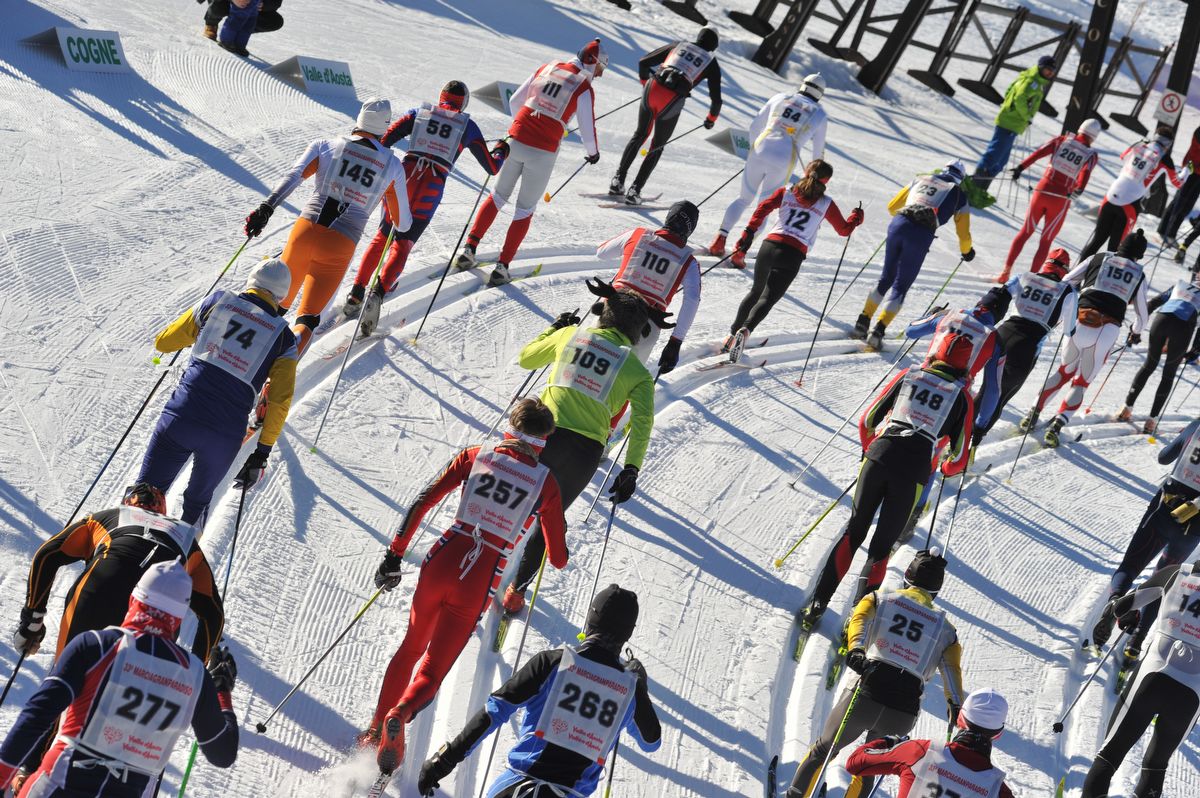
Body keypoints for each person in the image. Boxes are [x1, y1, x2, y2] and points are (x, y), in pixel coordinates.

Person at [367, 399, 569, 772]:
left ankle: (374, 729)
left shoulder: (475, 454)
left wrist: (395, 553)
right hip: (480, 575)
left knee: (411, 647)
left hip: (443, 556)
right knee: (432, 670)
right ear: (543, 439)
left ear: (511, 425)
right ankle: (402, 711)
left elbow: (424, 499)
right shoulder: (546, 482)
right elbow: (557, 557)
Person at [0, 562, 239, 797]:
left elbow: (37, 716)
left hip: (53, 788)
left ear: (133, 600)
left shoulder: (97, 645)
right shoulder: (195, 674)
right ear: (178, 619)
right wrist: (222, 691)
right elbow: (222, 753)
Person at [502, 280, 670, 612]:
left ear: (602, 314)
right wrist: (631, 469)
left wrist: (553, 330)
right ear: (639, 333)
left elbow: (525, 360)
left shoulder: (572, 336)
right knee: (550, 517)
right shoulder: (638, 372)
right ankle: (516, 592)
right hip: (584, 452)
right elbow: (642, 423)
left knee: (509, 494)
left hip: (542, 433)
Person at [415, 585, 661, 798]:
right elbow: (651, 742)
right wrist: (640, 686)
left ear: (591, 620)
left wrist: (445, 760)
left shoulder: (553, 662)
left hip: (517, 787)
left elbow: (495, 710)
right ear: (627, 633)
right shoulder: (630, 689)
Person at [798, 338, 974, 628]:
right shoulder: (962, 397)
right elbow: (959, 459)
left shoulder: (909, 374)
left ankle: (818, 604)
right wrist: (944, 466)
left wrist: (870, 449)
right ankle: (858, 622)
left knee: (853, 533)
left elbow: (867, 421)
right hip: (914, 470)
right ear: (963, 366)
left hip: (880, 456)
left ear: (937, 353)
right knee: (881, 549)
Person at [787, 550, 965, 798]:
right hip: (903, 711)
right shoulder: (947, 630)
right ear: (937, 590)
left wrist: (857, 649)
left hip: (867, 692)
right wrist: (955, 705)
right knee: (868, 766)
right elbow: (952, 671)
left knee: (824, 750)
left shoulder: (881, 598)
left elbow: (859, 619)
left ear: (907, 576)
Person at [136, 258, 298, 526]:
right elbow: (280, 400)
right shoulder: (285, 338)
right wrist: (262, 453)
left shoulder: (218, 302)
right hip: (224, 435)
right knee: (196, 507)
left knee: (145, 496)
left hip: (182, 416)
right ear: (281, 298)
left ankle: (124, 555)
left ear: (251, 282)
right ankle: (183, 559)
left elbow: (164, 343)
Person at [243, 98, 410, 353]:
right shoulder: (392, 165)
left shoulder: (326, 145)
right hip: (340, 244)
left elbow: (293, 176)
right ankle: (274, 382)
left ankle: (243, 357)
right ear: (385, 128)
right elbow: (403, 223)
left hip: (305, 231)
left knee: (273, 304)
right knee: (308, 319)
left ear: (359, 120)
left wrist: (266, 208)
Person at [339, 82, 506, 335]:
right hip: (432, 185)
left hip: (403, 178)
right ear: (463, 103)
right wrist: (501, 150)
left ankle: (357, 292)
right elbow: (492, 168)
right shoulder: (467, 125)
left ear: (441, 97)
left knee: (383, 235)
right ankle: (379, 293)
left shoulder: (420, 112)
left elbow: (385, 138)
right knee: (403, 243)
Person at [11, 483, 223, 662]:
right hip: (152, 612)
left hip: (98, 590)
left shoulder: (107, 516)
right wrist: (195, 677)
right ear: (163, 512)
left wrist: (32, 621)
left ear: (127, 503)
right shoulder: (187, 537)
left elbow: (46, 555)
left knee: (63, 692)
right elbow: (213, 615)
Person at [454, 41, 606, 287]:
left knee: (497, 196)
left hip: (516, 137)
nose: (599, 75)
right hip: (543, 150)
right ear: (592, 63)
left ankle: (469, 249)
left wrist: (525, 125)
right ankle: (502, 267)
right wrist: (593, 153)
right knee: (524, 208)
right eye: (600, 69)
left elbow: (516, 101)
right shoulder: (584, 87)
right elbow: (588, 127)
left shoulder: (549, 66)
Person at [1022, 230, 1150, 446]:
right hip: (1107, 330)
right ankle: (1057, 425)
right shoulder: (1139, 273)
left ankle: (1032, 413)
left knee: (1063, 372)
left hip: (1080, 319)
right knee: (1081, 382)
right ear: (1139, 255)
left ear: (1121, 245)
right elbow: (1143, 315)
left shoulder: (1098, 257)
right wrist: (1135, 331)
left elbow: (1067, 280)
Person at [1084, 561, 1200, 798]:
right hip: (1191, 695)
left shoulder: (1179, 573)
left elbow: (1121, 606)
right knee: (1155, 767)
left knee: (1109, 756)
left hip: (1151, 678)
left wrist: (1113, 618)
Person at [1089, 418, 1200, 663]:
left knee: (1130, 566)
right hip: (1193, 524)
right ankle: (1136, 642)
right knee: (1164, 579)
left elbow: (1164, 457)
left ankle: (1116, 600)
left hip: (1165, 509)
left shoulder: (1196, 426)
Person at [724, 160, 863, 350]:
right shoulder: (826, 203)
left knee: (756, 291)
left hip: (769, 246)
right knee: (767, 298)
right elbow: (844, 230)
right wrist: (856, 218)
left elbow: (762, 208)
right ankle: (746, 330)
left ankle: (731, 335)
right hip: (792, 254)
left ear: (806, 171)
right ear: (826, 180)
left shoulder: (787, 191)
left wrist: (748, 232)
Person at [852, 161, 974, 351]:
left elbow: (892, 206)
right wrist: (967, 251)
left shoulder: (921, 179)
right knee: (901, 286)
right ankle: (878, 330)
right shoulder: (959, 194)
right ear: (961, 178)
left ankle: (863, 319)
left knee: (886, 277)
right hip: (921, 234)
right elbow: (963, 233)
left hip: (899, 224)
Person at [706, 74, 828, 256]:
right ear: (820, 94)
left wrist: (754, 151)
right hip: (785, 158)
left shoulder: (780, 96)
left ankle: (719, 240)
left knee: (743, 199)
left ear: (802, 85)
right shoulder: (819, 113)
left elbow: (755, 126)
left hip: (760, 148)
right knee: (763, 206)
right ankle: (740, 252)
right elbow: (818, 155)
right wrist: (813, 178)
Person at [610, 27, 723, 205]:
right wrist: (711, 120)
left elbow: (643, 62)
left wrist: (644, 83)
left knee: (640, 135)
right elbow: (716, 101)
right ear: (714, 46)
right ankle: (635, 191)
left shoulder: (679, 45)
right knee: (657, 146)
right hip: (672, 98)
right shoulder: (710, 61)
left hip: (652, 86)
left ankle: (617, 181)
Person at [974, 249, 1077, 443]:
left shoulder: (1024, 276)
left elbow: (1000, 294)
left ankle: (950, 440)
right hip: (1026, 346)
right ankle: (970, 446)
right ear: (1063, 270)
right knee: (999, 398)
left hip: (1001, 335)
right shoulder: (1068, 291)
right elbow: (1070, 330)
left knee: (984, 390)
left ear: (1046, 263)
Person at [845, 688, 1015, 798]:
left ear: (961, 719)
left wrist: (889, 742)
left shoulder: (921, 752)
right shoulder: (997, 789)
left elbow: (855, 763)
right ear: (998, 734)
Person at [594, 200, 702, 373]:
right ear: (690, 229)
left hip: (611, 310)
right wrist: (675, 341)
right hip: (646, 326)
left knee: (581, 363)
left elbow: (601, 253)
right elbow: (693, 300)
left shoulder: (638, 234)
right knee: (624, 383)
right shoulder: (689, 262)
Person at [998, 118, 1102, 282]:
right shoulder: (1091, 155)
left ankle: (1005, 271)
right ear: (1094, 136)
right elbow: (1084, 175)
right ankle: (1031, 279)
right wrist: (1078, 190)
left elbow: (1039, 153)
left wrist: (1020, 168)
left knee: (1025, 231)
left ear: (1080, 129)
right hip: (1060, 199)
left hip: (1042, 189)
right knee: (1046, 240)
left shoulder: (1062, 140)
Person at [1078, 126, 1188, 262]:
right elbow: (1178, 183)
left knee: (1096, 241)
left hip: (1111, 195)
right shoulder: (1164, 158)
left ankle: (1073, 279)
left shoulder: (1139, 145)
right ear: (1168, 145)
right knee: (1115, 250)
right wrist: (1186, 172)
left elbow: (1123, 156)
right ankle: (1099, 281)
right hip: (1129, 204)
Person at [1117, 274, 1200, 431]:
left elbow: (1151, 304)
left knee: (1148, 365)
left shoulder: (1180, 285)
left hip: (1161, 320)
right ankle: (1151, 421)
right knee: (1168, 374)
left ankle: (1126, 408)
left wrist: (1136, 330)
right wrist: (1194, 352)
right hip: (1182, 329)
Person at [971, 56, 1055, 193]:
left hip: (1013, 123)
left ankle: (981, 188)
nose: (1050, 73)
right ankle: (974, 186)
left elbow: (1010, 90)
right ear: (1040, 67)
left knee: (1001, 161)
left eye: (1052, 71)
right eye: (1047, 70)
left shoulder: (1034, 81)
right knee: (994, 155)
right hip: (1009, 122)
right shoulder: (1031, 82)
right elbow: (1019, 98)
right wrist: (1026, 116)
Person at [1158, 124, 1200, 247]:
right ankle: (1163, 231)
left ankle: (1171, 233)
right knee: (1179, 202)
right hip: (1191, 170)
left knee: (1188, 205)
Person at [203, 0, 283, 43]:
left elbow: (276, 2)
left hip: (251, 7)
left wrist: (264, 4)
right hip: (227, 2)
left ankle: (239, 31)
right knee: (217, 7)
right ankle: (211, 23)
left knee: (275, 21)